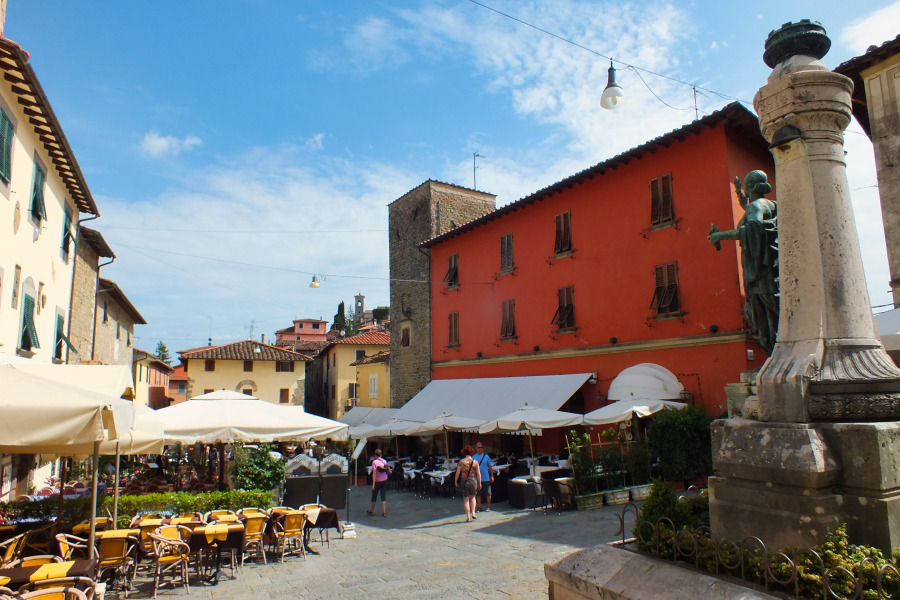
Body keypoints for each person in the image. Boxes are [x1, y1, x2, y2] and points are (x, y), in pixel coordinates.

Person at [708, 170, 779, 354]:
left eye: (746, 186)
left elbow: (752, 229)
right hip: (772, 267)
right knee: (773, 314)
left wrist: (719, 235)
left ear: (751, 187)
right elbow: (751, 213)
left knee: (763, 318)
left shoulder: (755, 207)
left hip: (759, 273)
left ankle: (774, 356)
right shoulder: (771, 204)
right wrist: (740, 196)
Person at [454, 445, 481, 522]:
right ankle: (473, 513)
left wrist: (456, 481)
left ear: (464, 452)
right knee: (473, 497)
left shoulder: (461, 462)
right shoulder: (475, 462)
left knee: (466, 500)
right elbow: (478, 474)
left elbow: (458, 473)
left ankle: (468, 517)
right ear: (472, 452)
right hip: (473, 480)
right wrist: (479, 483)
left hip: (464, 481)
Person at [368, 449, 391, 517]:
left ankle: (372, 510)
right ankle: (384, 512)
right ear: (381, 455)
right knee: (383, 496)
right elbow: (388, 470)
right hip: (384, 480)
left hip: (378, 481)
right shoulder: (384, 461)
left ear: (375, 455)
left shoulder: (374, 462)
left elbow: (374, 473)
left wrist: (373, 484)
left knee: (374, 496)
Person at [473, 442, 494, 512]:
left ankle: (488, 506)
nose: (480, 449)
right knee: (478, 494)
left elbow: (490, 467)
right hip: (478, 479)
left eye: (481, 447)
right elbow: (472, 468)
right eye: (479, 447)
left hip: (486, 478)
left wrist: (492, 476)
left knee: (488, 493)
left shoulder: (486, 456)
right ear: (476, 448)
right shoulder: (474, 457)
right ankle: (479, 507)